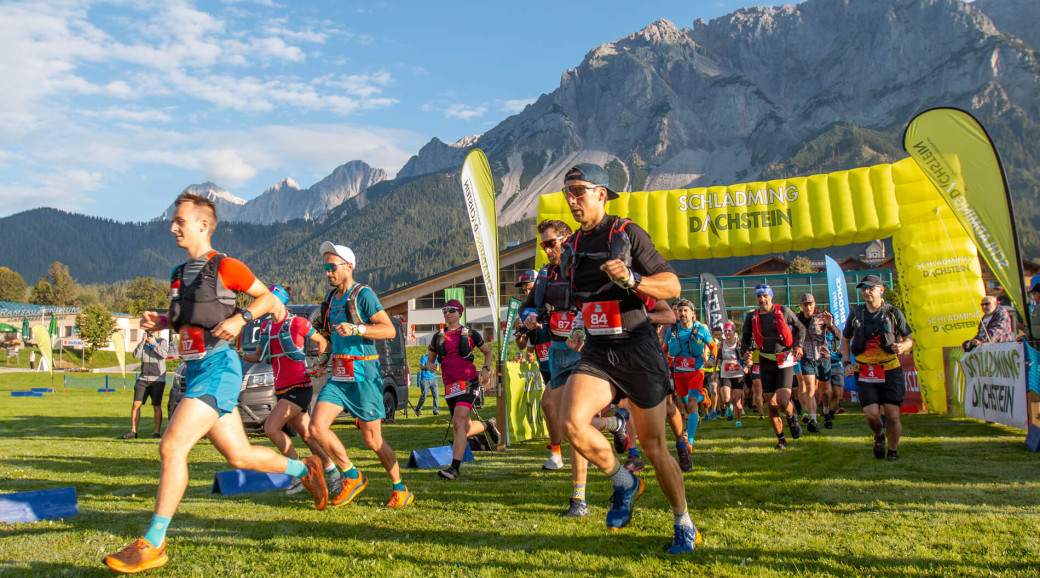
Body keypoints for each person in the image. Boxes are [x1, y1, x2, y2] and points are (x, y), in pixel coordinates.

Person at [104, 192, 326, 574]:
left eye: (180, 221)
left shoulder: (226, 267)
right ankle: (305, 471)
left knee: (172, 447)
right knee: (239, 456)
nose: (173, 227)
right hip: (194, 369)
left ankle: (152, 543)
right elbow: (191, 318)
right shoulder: (178, 274)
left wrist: (242, 319)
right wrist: (160, 320)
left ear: (202, 225)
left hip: (219, 368)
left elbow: (271, 299)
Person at [556, 163, 699, 554]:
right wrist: (578, 326)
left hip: (638, 349)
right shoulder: (571, 247)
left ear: (602, 193)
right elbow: (585, 301)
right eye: (568, 191)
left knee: (654, 448)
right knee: (570, 421)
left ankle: (682, 520)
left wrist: (633, 280)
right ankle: (624, 481)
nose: (572, 199)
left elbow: (672, 284)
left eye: (579, 191)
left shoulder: (626, 233)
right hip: (599, 351)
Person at [520, 219, 630, 516]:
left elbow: (606, 300)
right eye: (542, 245)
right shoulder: (545, 274)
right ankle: (614, 424)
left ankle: (579, 499)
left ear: (567, 240)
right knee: (552, 408)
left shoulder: (583, 267)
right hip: (557, 350)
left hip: (586, 351)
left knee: (574, 422)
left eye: (550, 243)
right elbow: (527, 304)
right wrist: (530, 315)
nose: (546, 250)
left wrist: (587, 331)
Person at [309, 242, 414, 508]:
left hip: (365, 376)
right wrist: (324, 358)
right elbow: (333, 339)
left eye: (332, 267)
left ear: (349, 266)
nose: (327, 272)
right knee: (316, 428)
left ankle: (400, 488)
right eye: (325, 267)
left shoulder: (363, 295)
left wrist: (358, 329)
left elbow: (389, 330)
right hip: (339, 376)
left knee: (372, 439)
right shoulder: (330, 300)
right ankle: (352, 475)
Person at [240, 284, 338, 496]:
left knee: (271, 428)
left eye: (267, 298)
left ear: (278, 300)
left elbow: (322, 341)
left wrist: (321, 364)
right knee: (307, 436)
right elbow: (257, 357)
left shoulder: (297, 323)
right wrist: (239, 354)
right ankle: (334, 473)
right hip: (281, 390)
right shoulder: (266, 328)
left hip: (299, 386)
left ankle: (301, 473)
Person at [841, 274, 914, 461]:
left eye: (870, 288)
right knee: (871, 415)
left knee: (892, 415)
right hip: (865, 371)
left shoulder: (893, 312)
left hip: (890, 370)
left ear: (881, 290)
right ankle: (879, 437)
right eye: (863, 288)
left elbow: (909, 338)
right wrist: (847, 363)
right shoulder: (856, 314)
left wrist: (904, 346)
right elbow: (845, 339)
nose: (866, 291)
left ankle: (893, 450)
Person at [428, 299, 500, 480]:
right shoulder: (438, 337)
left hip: (468, 381)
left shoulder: (470, 334)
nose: (447, 313)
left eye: (452, 310)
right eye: (445, 310)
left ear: (460, 313)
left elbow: (488, 353)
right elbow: (430, 360)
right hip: (449, 385)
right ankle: (488, 425)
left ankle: (454, 468)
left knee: (458, 424)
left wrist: (486, 369)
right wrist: (429, 366)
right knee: (464, 427)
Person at [740, 284, 806, 450]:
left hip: (784, 358)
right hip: (765, 360)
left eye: (765, 296)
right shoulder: (751, 317)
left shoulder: (783, 311)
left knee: (783, 400)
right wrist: (745, 351)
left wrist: (799, 346)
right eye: (759, 297)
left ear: (771, 296)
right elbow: (745, 338)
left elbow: (801, 328)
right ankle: (781, 439)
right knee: (771, 403)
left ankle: (791, 417)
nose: (762, 299)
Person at [664, 300, 713, 462]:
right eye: (680, 311)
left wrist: (711, 358)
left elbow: (713, 346)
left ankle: (689, 440)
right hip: (679, 373)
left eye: (686, 311)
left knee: (691, 405)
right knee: (684, 406)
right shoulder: (671, 331)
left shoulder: (701, 330)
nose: (683, 314)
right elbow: (663, 349)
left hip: (696, 372)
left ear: (693, 313)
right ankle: (703, 396)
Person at [795, 293, 840, 433]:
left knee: (826, 391)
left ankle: (826, 412)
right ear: (801, 306)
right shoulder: (797, 320)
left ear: (814, 304)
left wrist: (830, 325)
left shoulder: (822, 317)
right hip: (807, 357)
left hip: (823, 356)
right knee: (810, 388)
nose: (808, 307)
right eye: (805, 305)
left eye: (810, 304)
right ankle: (813, 420)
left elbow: (838, 335)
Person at [123, 331, 170, 440]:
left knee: (157, 406)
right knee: (136, 405)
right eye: (149, 332)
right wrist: (142, 342)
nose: (150, 333)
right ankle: (133, 432)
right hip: (143, 379)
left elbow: (164, 355)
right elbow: (136, 355)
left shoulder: (162, 342)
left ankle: (157, 432)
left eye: (153, 331)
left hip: (157, 380)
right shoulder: (143, 344)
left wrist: (154, 343)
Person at [717, 322, 747, 427]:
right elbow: (717, 358)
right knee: (726, 399)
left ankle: (738, 420)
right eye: (725, 331)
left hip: (738, 374)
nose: (727, 333)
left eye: (729, 331)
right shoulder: (721, 344)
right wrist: (713, 373)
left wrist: (747, 367)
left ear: (734, 332)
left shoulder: (739, 344)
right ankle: (729, 407)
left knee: (736, 400)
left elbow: (748, 358)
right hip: (725, 374)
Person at [415, 351, 439, 416]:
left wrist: (435, 367)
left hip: (433, 379)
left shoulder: (435, 358)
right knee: (424, 396)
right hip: (425, 379)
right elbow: (421, 367)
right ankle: (418, 408)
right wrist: (428, 366)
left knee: (436, 395)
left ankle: (435, 410)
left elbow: (438, 369)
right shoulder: (424, 357)